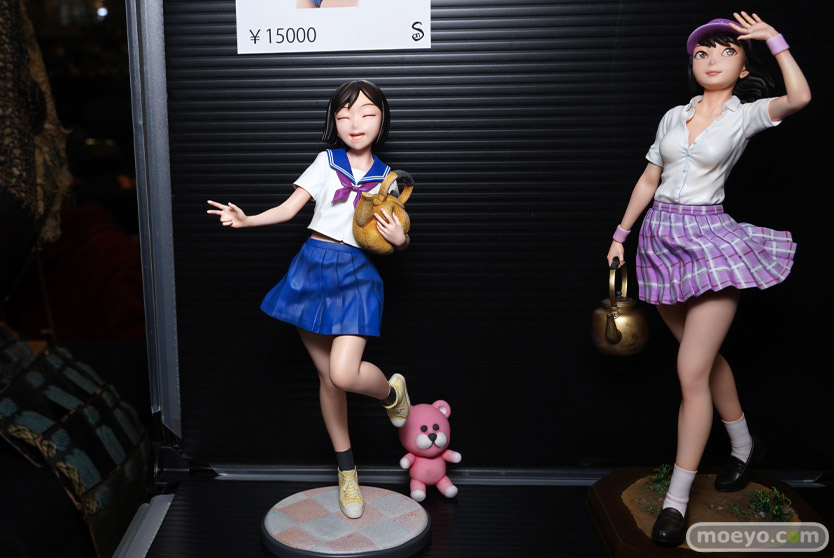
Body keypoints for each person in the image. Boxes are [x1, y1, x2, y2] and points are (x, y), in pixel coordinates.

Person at [606, 12, 810, 546]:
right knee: (704, 360)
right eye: (702, 53)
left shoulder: (746, 115)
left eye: (726, 51)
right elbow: (650, 177)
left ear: (744, 68)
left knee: (690, 371)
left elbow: (800, 99)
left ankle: (675, 502)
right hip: (660, 241)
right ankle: (744, 444)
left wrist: (776, 41)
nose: (712, 60)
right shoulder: (674, 116)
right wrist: (621, 235)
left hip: (710, 241)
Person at [207, 80, 411, 519]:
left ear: (383, 120)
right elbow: (288, 209)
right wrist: (247, 220)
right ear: (334, 122)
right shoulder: (325, 162)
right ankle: (347, 472)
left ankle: (391, 392)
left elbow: (390, 235)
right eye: (345, 114)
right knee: (328, 380)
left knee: (343, 373)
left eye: (367, 113)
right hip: (312, 270)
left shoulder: (390, 179)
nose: (355, 122)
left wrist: (401, 239)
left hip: (356, 275)